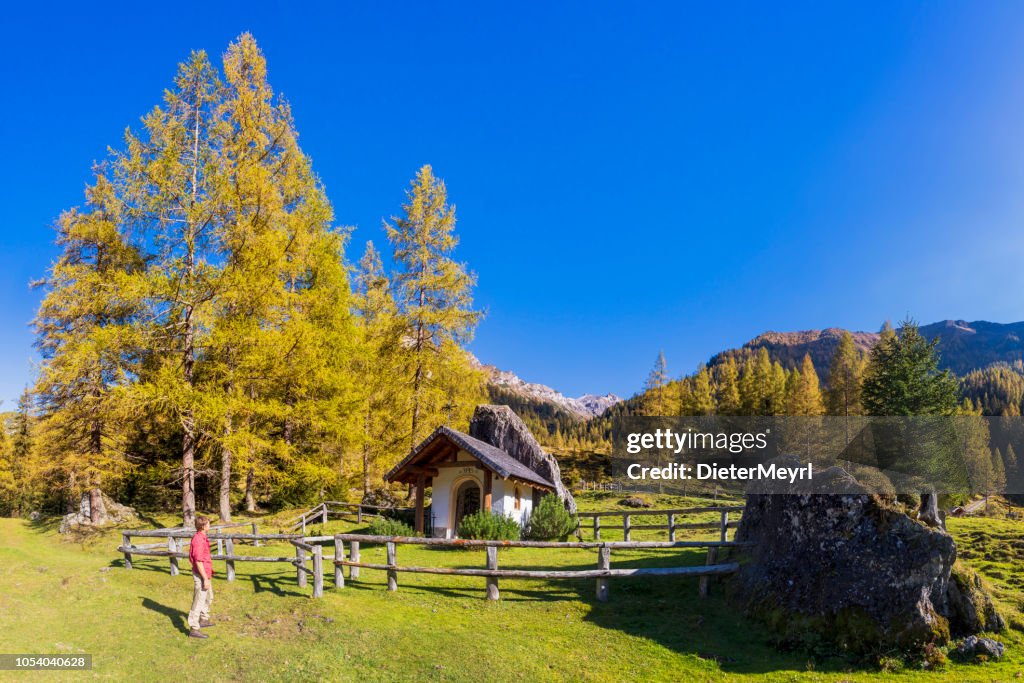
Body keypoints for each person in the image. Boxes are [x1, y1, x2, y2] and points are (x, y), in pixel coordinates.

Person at [187, 515, 215, 638]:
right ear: (203, 526)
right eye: (208, 523)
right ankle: (194, 628)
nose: (210, 525)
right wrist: (204, 579)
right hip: (201, 574)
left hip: (206, 573)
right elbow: (198, 561)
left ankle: (203, 619)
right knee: (198, 600)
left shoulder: (203, 537)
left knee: (209, 597)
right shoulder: (198, 540)